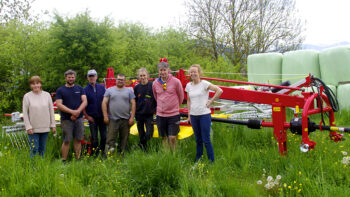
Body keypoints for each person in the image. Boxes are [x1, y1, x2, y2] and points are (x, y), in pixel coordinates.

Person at [185, 64, 223, 162]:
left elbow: (219, 90)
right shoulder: (189, 86)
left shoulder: (204, 84)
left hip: (204, 115)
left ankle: (211, 161)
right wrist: (189, 115)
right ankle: (199, 159)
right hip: (193, 115)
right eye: (191, 72)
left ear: (199, 73)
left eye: (195, 72)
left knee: (206, 139)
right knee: (198, 139)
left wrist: (211, 101)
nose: (193, 74)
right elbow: (189, 101)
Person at [152, 58, 184, 151]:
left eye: (164, 70)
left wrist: (175, 106)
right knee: (164, 137)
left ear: (168, 70)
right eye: (161, 70)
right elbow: (155, 96)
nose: (163, 72)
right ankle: (166, 156)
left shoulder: (176, 81)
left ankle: (174, 155)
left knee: (172, 137)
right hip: (161, 115)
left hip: (173, 114)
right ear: (158, 71)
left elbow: (181, 96)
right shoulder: (155, 83)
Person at [56, 69, 87, 162]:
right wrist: (72, 112)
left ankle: (78, 159)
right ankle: (64, 161)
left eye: (72, 77)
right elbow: (59, 104)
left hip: (79, 118)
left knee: (78, 139)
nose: (71, 79)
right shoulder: (60, 90)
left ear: (75, 78)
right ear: (65, 78)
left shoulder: (80, 89)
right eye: (69, 77)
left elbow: (85, 101)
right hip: (66, 119)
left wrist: (77, 112)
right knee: (66, 140)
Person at [23, 76, 56, 158]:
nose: (35, 86)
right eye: (33, 84)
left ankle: (41, 166)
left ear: (40, 84)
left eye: (37, 83)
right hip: (33, 128)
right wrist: (28, 127)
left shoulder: (47, 95)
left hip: (45, 127)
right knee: (34, 149)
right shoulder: (27, 96)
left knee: (42, 149)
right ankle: (32, 168)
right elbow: (25, 113)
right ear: (30, 85)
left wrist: (53, 125)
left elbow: (51, 111)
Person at [102, 73, 136, 154]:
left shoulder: (129, 91)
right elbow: (104, 103)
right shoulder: (109, 90)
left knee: (124, 139)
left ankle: (123, 155)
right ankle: (109, 155)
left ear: (125, 81)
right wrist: (105, 116)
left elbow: (133, 103)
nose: (120, 81)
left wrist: (132, 117)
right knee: (110, 139)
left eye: (122, 80)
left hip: (125, 119)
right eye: (118, 79)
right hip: (112, 119)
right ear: (116, 80)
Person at [83, 69, 106, 157]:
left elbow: (106, 101)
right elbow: (83, 105)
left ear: (96, 77)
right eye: (90, 76)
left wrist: (106, 115)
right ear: (88, 78)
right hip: (92, 117)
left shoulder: (102, 88)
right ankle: (95, 154)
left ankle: (103, 152)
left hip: (102, 116)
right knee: (94, 137)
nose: (92, 78)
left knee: (104, 136)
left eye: (93, 76)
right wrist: (87, 116)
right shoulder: (84, 90)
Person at [134, 68, 156, 151]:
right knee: (141, 133)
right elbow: (135, 100)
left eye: (144, 75)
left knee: (149, 133)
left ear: (147, 75)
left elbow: (156, 97)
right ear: (138, 76)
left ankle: (140, 144)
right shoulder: (137, 87)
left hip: (149, 113)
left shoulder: (152, 85)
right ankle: (144, 149)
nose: (142, 77)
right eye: (141, 76)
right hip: (139, 113)